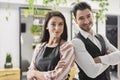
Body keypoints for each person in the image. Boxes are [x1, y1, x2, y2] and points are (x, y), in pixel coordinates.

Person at [72, 2, 120, 80]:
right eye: (81, 18)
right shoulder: (76, 42)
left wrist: (100, 59)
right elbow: (92, 72)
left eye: (88, 16)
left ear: (93, 16)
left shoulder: (101, 37)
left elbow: (119, 56)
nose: (86, 21)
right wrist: (110, 59)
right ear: (76, 21)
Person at [27, 11, 75, 80]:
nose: (57, 28)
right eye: (53, 24)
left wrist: (35, 73)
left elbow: (57, 77)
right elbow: (29, 74)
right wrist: (33, 73)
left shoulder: (67, 47)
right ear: (47, 26)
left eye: (60, 24)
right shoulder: (39, 47)